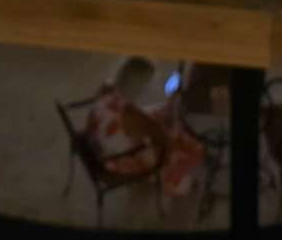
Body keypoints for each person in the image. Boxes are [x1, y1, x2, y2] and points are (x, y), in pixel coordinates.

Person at [85, 56, 205, 203]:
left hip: (101, 147)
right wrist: (176, 136)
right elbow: (161, 138)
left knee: (158, 112)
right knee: (182, 148)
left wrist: (160, 115)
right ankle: (175, 183)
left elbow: (139, 120)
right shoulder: (129, 114)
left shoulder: (107, 89)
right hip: (117, 158)